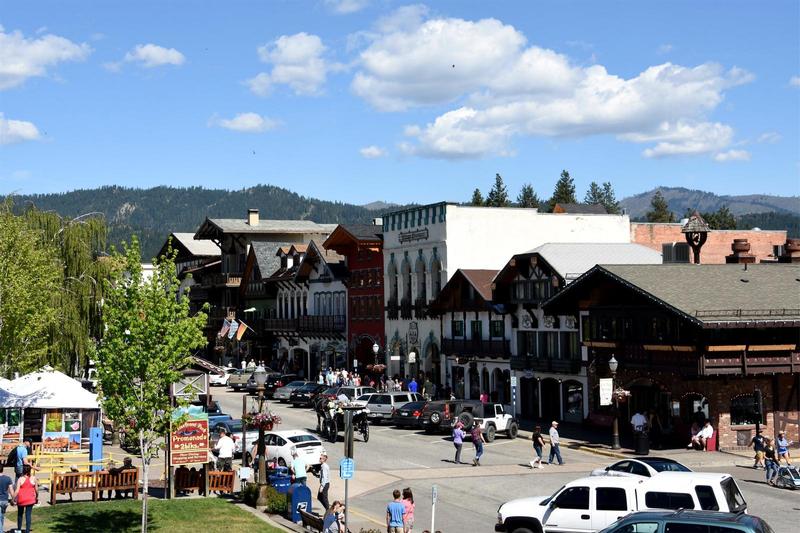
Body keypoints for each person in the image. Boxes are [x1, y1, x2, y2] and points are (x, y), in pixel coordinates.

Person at [15, 464, 37, 533]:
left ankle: (19, 529)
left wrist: (13, 499)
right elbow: (36, 490)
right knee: (28, 515)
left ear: (23, 470)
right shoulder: (33, 478)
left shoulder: (20, 479)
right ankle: (27, 531)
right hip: (30, 499)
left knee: (20, 514)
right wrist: (37, 497)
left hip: (21, 499)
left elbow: (17, 491)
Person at [0, 464, 15, 533]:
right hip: (5, 501)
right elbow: (11, 490)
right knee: (2, 516)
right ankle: (1, 529)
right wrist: (13, 499)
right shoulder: (8, 478)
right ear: (3, 469)